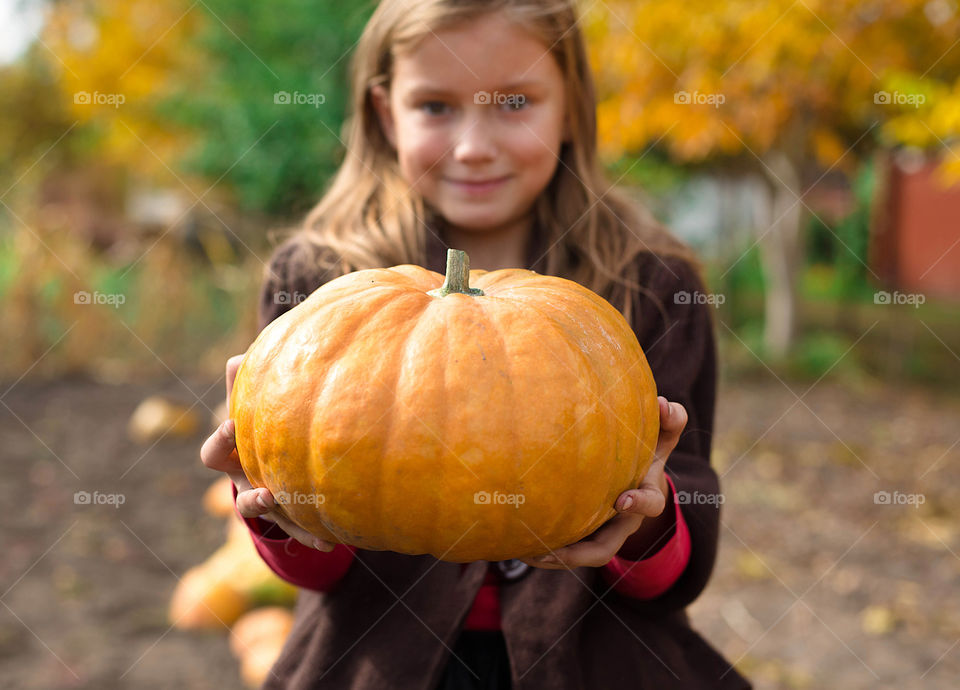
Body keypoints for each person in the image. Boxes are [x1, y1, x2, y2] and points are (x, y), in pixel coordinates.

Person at [201, 1, 751, 688]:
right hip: (376, 665)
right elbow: (320, 561)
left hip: (595, 663)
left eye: (514, 102)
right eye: (435, 106)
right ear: (383, 112)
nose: (473, 145)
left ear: (572, 107)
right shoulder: (315, 282)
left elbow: (681, 548)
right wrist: (279, 512)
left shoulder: (653, 286)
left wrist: (647, 519)